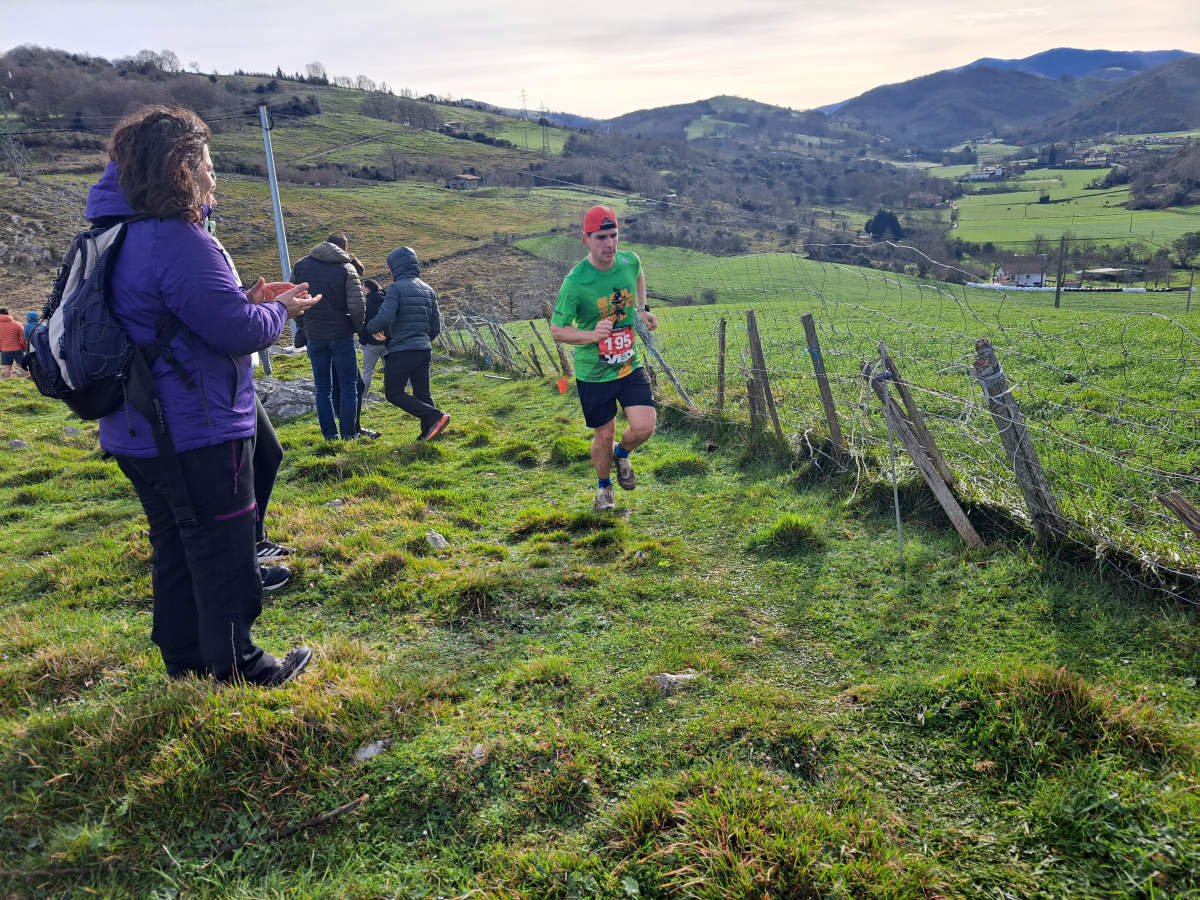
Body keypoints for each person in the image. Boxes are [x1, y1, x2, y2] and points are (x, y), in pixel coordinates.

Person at [88, 105, 319, 685]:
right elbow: (237, 333)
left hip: (138, 427)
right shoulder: (177, 240)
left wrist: (245, 299)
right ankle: (242, 666)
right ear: (181, 170)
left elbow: (170, 318)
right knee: (224, 547)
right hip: (196, 426)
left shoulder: (117, 234)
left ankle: (185, 661)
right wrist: (279, 310)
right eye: (209, 167)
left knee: (174, 543)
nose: (215, 179)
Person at [550, 206, 659, 512]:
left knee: (644, 427)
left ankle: (622, 454)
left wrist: (642, 309)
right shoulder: (576, 282)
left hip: (628, 364)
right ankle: (604, 486)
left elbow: (638, 273)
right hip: (594, 373)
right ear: (586, 239)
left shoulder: (628, 261)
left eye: (614, 235)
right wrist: (591, 335)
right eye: (601, 237)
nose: (609, 244)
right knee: (604, 434)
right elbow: (557, 330)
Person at [367, 247, 450, 441]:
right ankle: (429, 432)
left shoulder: (395, 288)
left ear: (395, 268)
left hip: (402, 350)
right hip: (424, 349)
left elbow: (385, 317)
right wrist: (422, 340)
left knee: (393, 393)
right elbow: (435, 326)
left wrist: (370, 327)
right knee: (423, 394)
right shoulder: (428, 289)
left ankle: (435, 416)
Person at [291, 232, 367, 441]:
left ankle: (330, 437)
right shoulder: (346, 267)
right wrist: (358, 329)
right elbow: (357, 306)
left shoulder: (301, 265)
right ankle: (349, 435)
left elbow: (294, 300)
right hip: (341, 334)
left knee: (323, 388)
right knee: (349, 385)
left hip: (315, 334)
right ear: (344, 249)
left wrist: (304, 326)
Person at [359, 278, 388, 395]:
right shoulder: (388, 299)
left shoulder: (370, 302)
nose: (362, 290)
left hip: (372, 343)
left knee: (367, 371)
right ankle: (391, 393)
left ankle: (362, 395)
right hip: (387, 341)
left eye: (363, 288)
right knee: (389, 370)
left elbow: (368, 323)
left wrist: (362, 340)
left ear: (368, 289)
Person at [0, 308, 29, 378]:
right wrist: (24, 347)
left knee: (7, 368)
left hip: (5, 350)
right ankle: (30, 380)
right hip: (17, 349)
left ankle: (7, 383)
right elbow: (23, 338)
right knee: (23, 367)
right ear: (8, 314)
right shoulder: (17, 324)